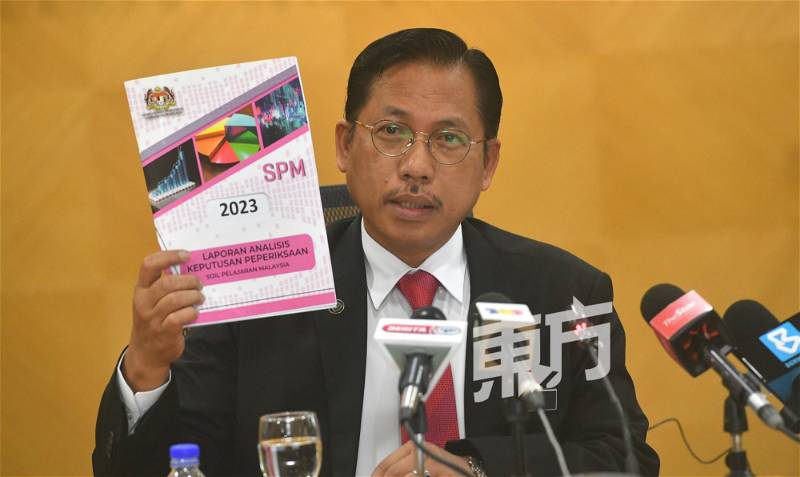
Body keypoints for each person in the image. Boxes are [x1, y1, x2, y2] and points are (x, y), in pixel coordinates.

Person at [94, 28, 660, 476]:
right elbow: (174, 465)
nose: (416, 166)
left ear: (488, 164)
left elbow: (624, 458)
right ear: (346, 145)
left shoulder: (560, 293)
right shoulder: (262, 290)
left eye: (449, 139)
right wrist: (146, 369)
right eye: (392, 132)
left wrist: (477, 468)